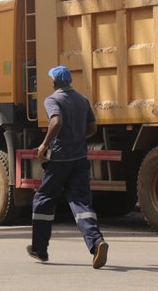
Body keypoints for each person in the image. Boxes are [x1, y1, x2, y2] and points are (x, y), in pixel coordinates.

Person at [27, 65, 109, 269]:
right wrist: (77, 138)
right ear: (69, 81)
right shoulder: (82, 100)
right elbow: (92, 128)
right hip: (80, 158)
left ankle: (40, 249)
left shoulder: (53, 99)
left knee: (43, 200)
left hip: (60, 160)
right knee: (81, 203)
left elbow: (56, 121)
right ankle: (97, 242)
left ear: (55, 82)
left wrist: (45, 144)